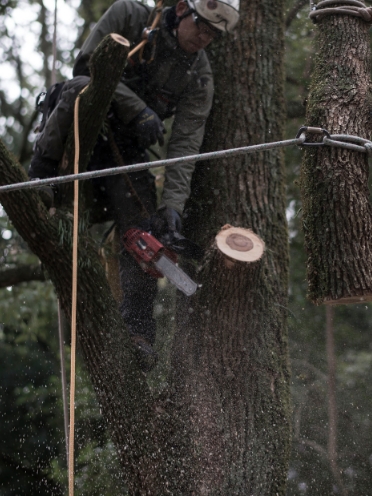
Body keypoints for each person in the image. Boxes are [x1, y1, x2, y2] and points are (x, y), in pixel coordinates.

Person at [29, 0, 240, 370]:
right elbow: (86, 69)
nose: (204, 38)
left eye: (213, 34)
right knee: (77, 88)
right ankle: (41, 179)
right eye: (201, 26)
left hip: (127, 154)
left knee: (144, 236)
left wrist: (172, 205)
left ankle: (138, 333)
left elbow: (185, 145)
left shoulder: (199, 77)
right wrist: (136, 109)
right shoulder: (130, 16)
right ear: (181, 9)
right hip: (82, 128)